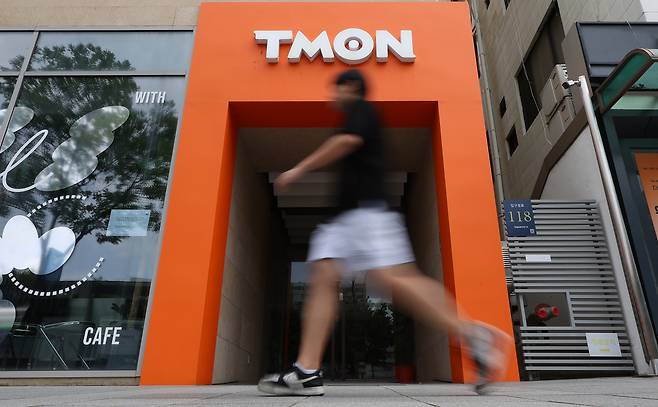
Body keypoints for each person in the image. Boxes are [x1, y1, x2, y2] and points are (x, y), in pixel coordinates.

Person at [258, 69, 510, 397]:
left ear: (350, 88)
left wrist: (298, 170)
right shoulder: (360, 114)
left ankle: (474, 334)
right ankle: (306, 370)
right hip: (350, 218)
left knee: (394, 280)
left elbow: (346, 141)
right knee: (326, 273)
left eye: (336, 90)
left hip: (364, 214)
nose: (332, 97)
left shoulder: (361, 111)